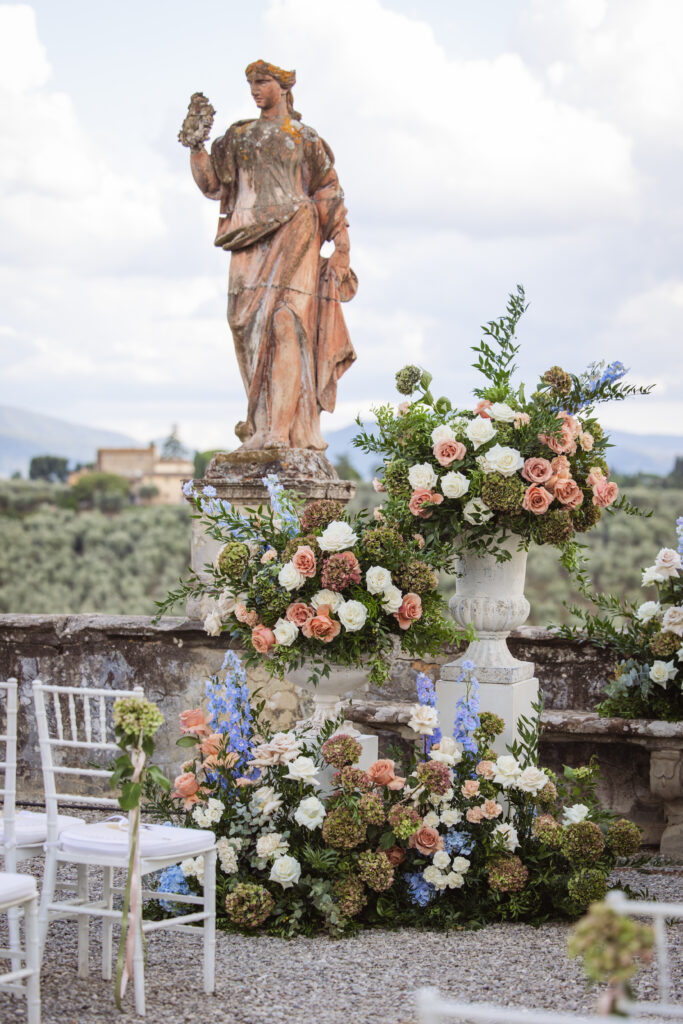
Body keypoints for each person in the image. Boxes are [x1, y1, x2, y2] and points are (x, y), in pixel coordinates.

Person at [182, 60, 357, 451]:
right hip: (247, 240)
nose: (254, 90)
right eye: (250, 84)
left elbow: (329, 190)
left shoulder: (304, 138)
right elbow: (212, 182)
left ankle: (281, 432)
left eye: (261, 82)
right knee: (245, 327)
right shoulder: (238, 138)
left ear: (281, 86)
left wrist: (341, 246)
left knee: (285, 322)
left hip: (297, 231)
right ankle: (261, 425)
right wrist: (195, 146)